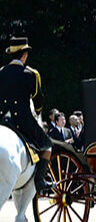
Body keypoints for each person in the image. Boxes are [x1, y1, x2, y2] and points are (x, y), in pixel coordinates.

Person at [0, 37, 53, 193]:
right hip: (22, 120)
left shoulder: (1, 72)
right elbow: (38, 100)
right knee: (47, 146)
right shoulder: (31, 74)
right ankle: (40, 180)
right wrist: (37, 112)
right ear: (24, 55)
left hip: (1, 119)